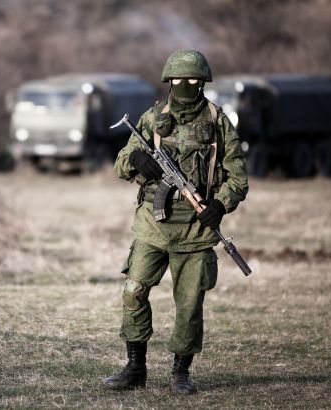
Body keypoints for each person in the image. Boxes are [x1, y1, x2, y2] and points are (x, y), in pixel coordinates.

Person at [103, 50, 248, 394]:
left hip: (197, 231)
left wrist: (220, 204)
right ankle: (135, 368)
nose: (186, 85)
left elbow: (237, 178)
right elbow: (120, 165)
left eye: (193, 80)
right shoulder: (153, 118)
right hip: (152, 228)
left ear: (203, 83)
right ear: (169, 81)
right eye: (180, 80)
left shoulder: (217, 122)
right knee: (133, 292)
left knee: (189, 305)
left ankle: (181, 373)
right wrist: (137, 158)